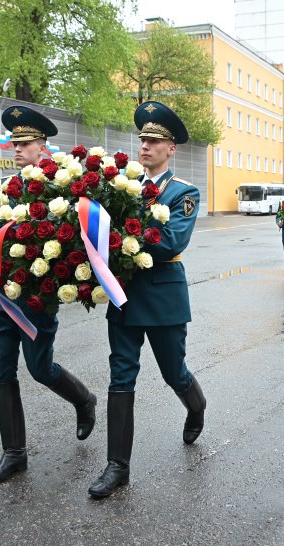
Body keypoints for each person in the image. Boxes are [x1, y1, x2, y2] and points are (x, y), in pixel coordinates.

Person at [0, 106, 97, 485]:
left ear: (43, 145)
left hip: (35, 298)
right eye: (15, 142)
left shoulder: (57, 187)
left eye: (24, 143)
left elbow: (73, 237)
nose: (16, 148)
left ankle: (84, 400)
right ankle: (14, 455)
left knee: (40, 369)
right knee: (2, 372)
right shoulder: (0, 188)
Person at [89, 101, 205, 499]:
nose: (145, 146)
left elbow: (171, 240)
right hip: (123, 293)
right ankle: (117, 466)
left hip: (162, 296)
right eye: (142, 139)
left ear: (172, 148)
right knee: (121, 376)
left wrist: (115, 240)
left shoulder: (183, 193)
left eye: (155, 141)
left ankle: (196, 405)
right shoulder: (119, 187)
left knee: (174, 372)